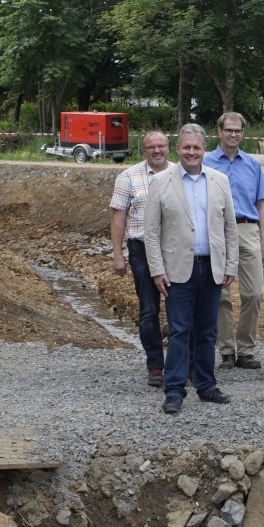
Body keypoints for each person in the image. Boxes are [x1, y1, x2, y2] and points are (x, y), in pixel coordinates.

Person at [142, 124, 238, 414]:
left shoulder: (219, 180)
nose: (191, 152)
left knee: (208, 331)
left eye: (196, 147)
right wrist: (157, 270)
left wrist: (230, 263)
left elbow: (230, 227)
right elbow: (151, 232)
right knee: (180, 331)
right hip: (177, 270)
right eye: (186, 147)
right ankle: (174, 390)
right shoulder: (161, 182)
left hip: (211, 268)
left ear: (204, 149)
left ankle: (207, 386)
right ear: (178, 148)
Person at [203, 111, 264, 370]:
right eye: (228, 130)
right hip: (216, 231)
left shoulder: (253, 164)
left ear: (243, 133)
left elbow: (262, 204)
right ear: (219, 131)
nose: (233, 134)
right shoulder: (206, 162)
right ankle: (227, 351)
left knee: (254, 292)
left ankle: (246, 349)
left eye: (237, 130)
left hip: (247, 229)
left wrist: (263, 239)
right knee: (220, 294)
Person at [108, 131, 174, 388]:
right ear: (143, 150)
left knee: (180, 308)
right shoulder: (128, 178)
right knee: (149, 309)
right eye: (151, 147)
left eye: (161, 146)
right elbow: (118, 218)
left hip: (175, 250)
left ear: (169, 147)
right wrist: (118, 255)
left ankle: (184, 363)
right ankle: (156, 365)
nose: (157, 151)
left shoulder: (181, 173)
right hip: (142, 249)